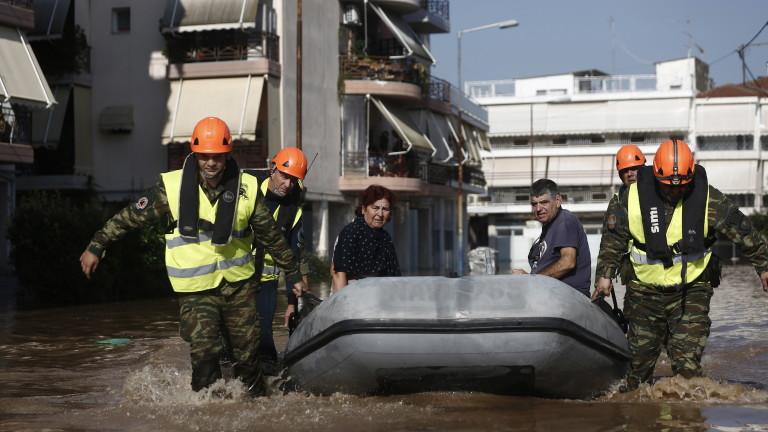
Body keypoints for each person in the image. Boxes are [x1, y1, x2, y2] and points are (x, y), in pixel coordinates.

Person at [79, 116, 307, 395]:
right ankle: (204, 411)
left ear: (227, 156)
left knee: (249, 356)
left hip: (238, 286)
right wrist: (97, 244)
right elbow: (131, 217)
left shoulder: (246, 189)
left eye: (217, 157)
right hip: (196, 290)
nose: (211, 163)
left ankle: (255, 407)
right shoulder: (171, 187)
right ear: (195, 154)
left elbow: (271, 234)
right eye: (205, 157)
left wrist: (293, 272)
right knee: (205, 356)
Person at [593, 139, 768, 391]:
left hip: (691, 290)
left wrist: (763, 266)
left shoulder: (708, 198)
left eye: (682, 186)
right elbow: (613, 241)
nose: (675, 191)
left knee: (688, 371)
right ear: (655, 175)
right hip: (644, 292)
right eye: (668, 187)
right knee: (637, 371)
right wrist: (605, 275)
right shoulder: (627, 199)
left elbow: (745, 232)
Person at [244, 147, 309, 373]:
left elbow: (296, 257)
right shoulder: (248, 190)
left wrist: (292, 303)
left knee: (264, 339)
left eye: (294, 181)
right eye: (284, 176)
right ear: (273, 169)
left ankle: (269, 380)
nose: (287, 184)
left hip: (266, 285)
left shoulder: (294, 211)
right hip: (235, 279)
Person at [512, 179, 592, 297]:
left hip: (568, 301)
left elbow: (568, 262)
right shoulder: (550, 227)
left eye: (544, 202)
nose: (538, 209)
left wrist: (532, 279)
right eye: (534, 204)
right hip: (553, 299)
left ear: (558, 201)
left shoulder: (564, 220)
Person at [331, 185, 400, 292]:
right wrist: (343, 305)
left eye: (385, 209)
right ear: (364, 209)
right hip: (352, 297)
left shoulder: (385, 238)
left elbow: (394, 276)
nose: (380, 214)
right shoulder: (351, 232)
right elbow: (339, 273)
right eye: (375, 208)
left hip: (378, 298)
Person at [599, 144, 647, 285]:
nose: (630, 173)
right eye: (625, 170)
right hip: (637, 279)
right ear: (620, 174)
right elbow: (610, 243)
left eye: (634, 168)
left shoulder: (663, 192)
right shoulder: (618, 202)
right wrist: (605, 276)